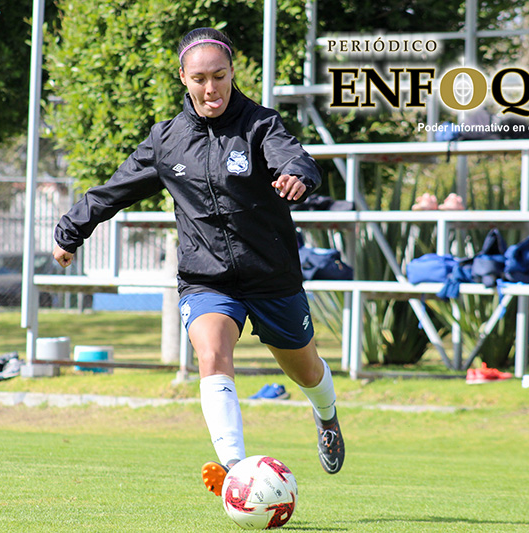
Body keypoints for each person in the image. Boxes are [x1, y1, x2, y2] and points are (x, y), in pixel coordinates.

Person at [52, 27, 344, 496]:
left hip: (272, 277)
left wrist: (296, 175)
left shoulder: (260, 125)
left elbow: (297, 159)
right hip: (207, 280)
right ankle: (236, 470)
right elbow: (114, 189)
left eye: (221, 76)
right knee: (212, 354)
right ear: (183, 78)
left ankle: (326, 415)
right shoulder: (167, 141)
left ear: (233, 72)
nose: (212, 89)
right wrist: (71, 231)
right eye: (201, 79)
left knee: (306, 370)